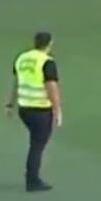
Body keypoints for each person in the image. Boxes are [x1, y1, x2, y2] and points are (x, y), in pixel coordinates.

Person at [5, 32, 62, 192]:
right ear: (49, 44)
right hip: (40, 109)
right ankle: (32, 180)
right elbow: (52, 88)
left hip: (24, 108)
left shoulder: (22, 58)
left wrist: (9, 104)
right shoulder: (47, 62)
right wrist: (57, 110)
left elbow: (15, 82)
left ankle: (32, 178)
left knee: (35, 142)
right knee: (37, 145)